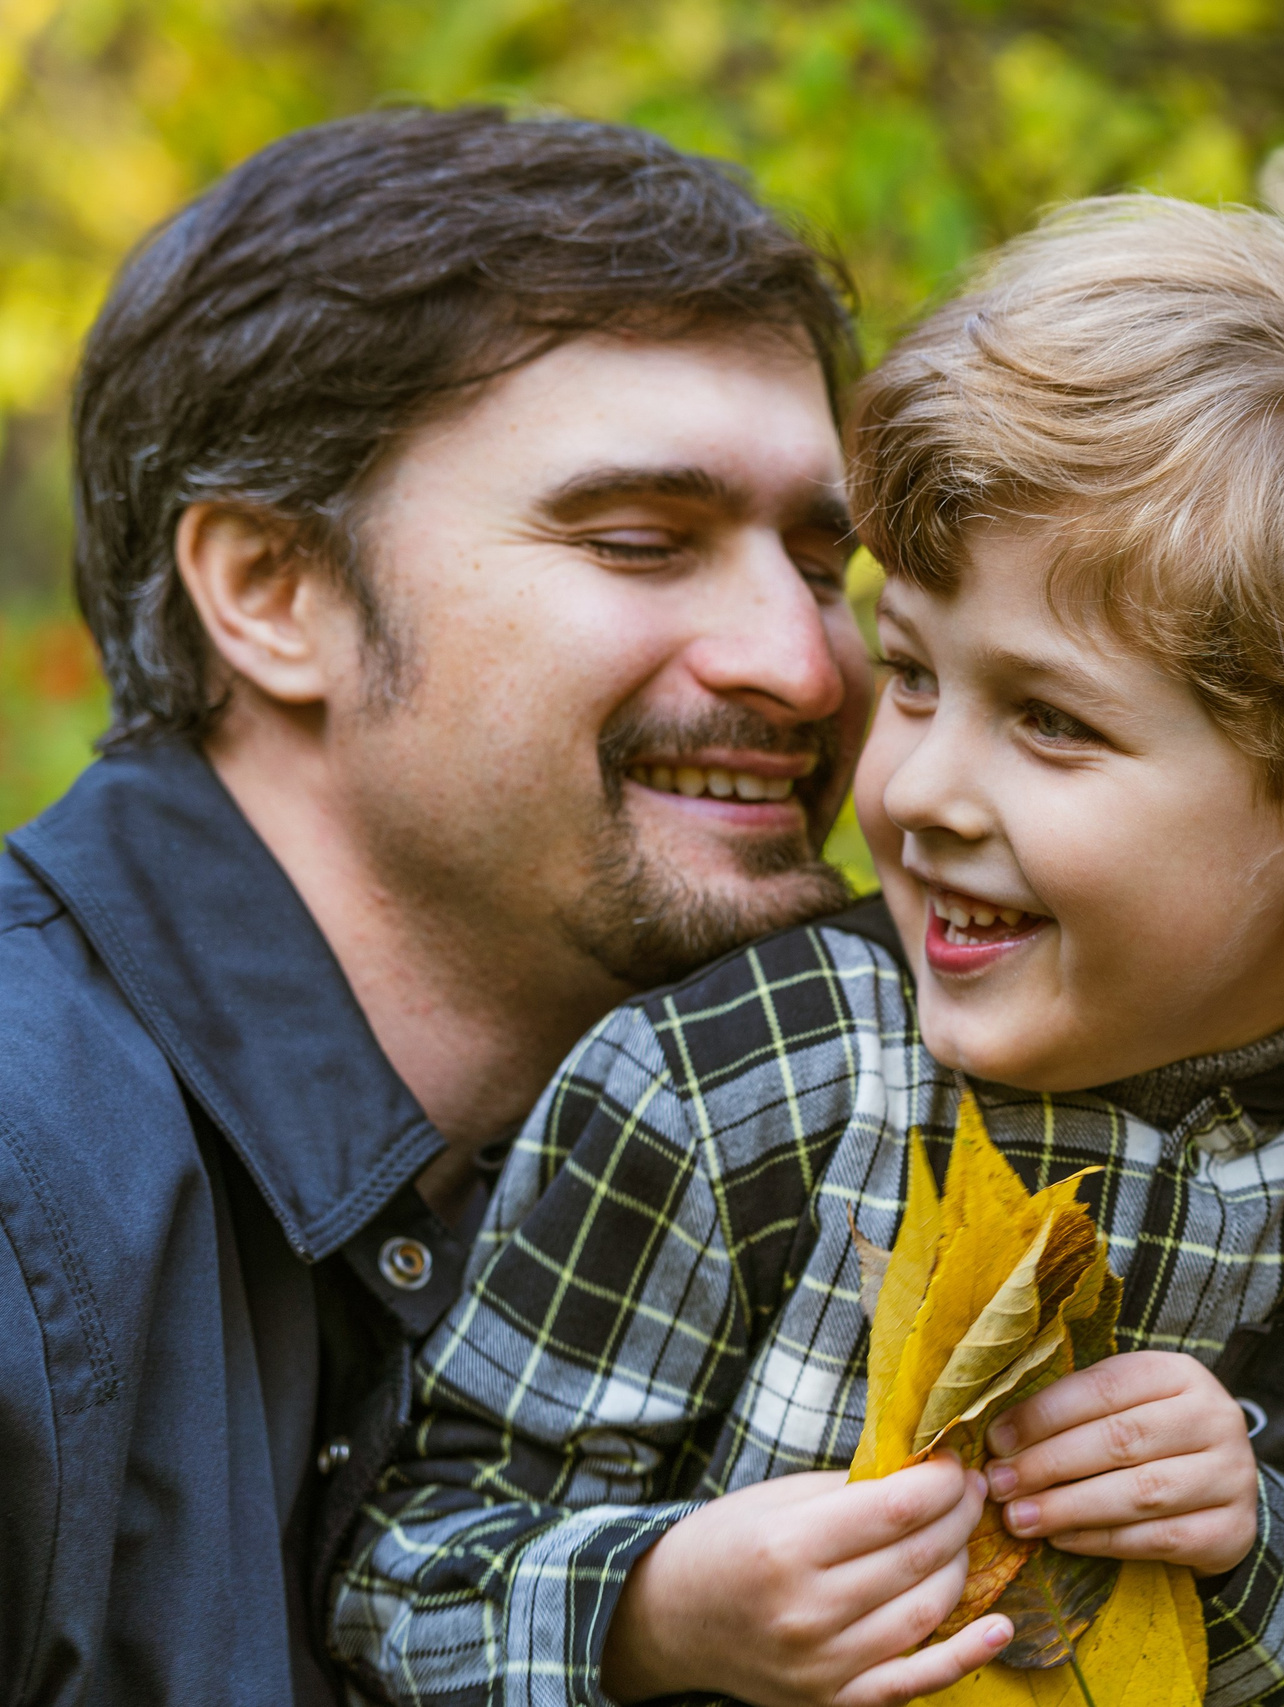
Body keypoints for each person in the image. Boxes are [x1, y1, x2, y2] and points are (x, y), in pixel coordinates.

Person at [331, 196, 1284, 1707]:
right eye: (915, 674)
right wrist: (661, 1610)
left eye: (1053, 719)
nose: (920, 786)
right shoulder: (738, 1079)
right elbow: (393, 1574)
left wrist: (1260, 1562)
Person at [0, 107, 941, 1703]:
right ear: (273, 590)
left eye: (824, 565)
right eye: (644, 541)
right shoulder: (27, 1195)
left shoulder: (801, 1126)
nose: (804, 665)